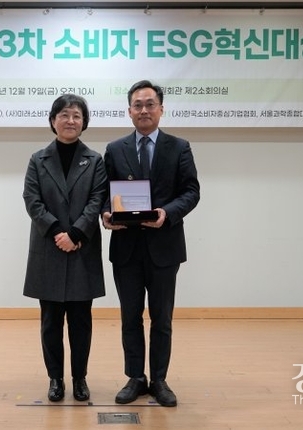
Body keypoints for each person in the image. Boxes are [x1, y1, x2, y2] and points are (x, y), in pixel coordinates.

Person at [101, 80, 200, 407]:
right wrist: (106, 214)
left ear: (161, 109)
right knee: (130, 317)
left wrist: (166, 213)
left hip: (164, 247)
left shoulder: (179, 147)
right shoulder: (115, 149)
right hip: (126, 249)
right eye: (138, 105)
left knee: (162, 318)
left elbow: (191, 191)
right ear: (129, 111)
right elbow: (104, 193)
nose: (144, 110)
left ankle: (159, 379)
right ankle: (135, 377)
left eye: (150, 104)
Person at [22, 94, 108, 403]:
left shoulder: (95, 160)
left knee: (81, 321)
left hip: (82, 248)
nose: (70, 120)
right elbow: (32, 201)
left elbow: (97, 200)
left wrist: (76, 233)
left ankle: (80, 378)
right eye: (64, 115)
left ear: (84, 122)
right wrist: (59, 232)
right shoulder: (38, 159)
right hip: (49, 248)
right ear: (53, 120)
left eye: (76, 115)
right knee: (51, 322)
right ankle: (55, 379)